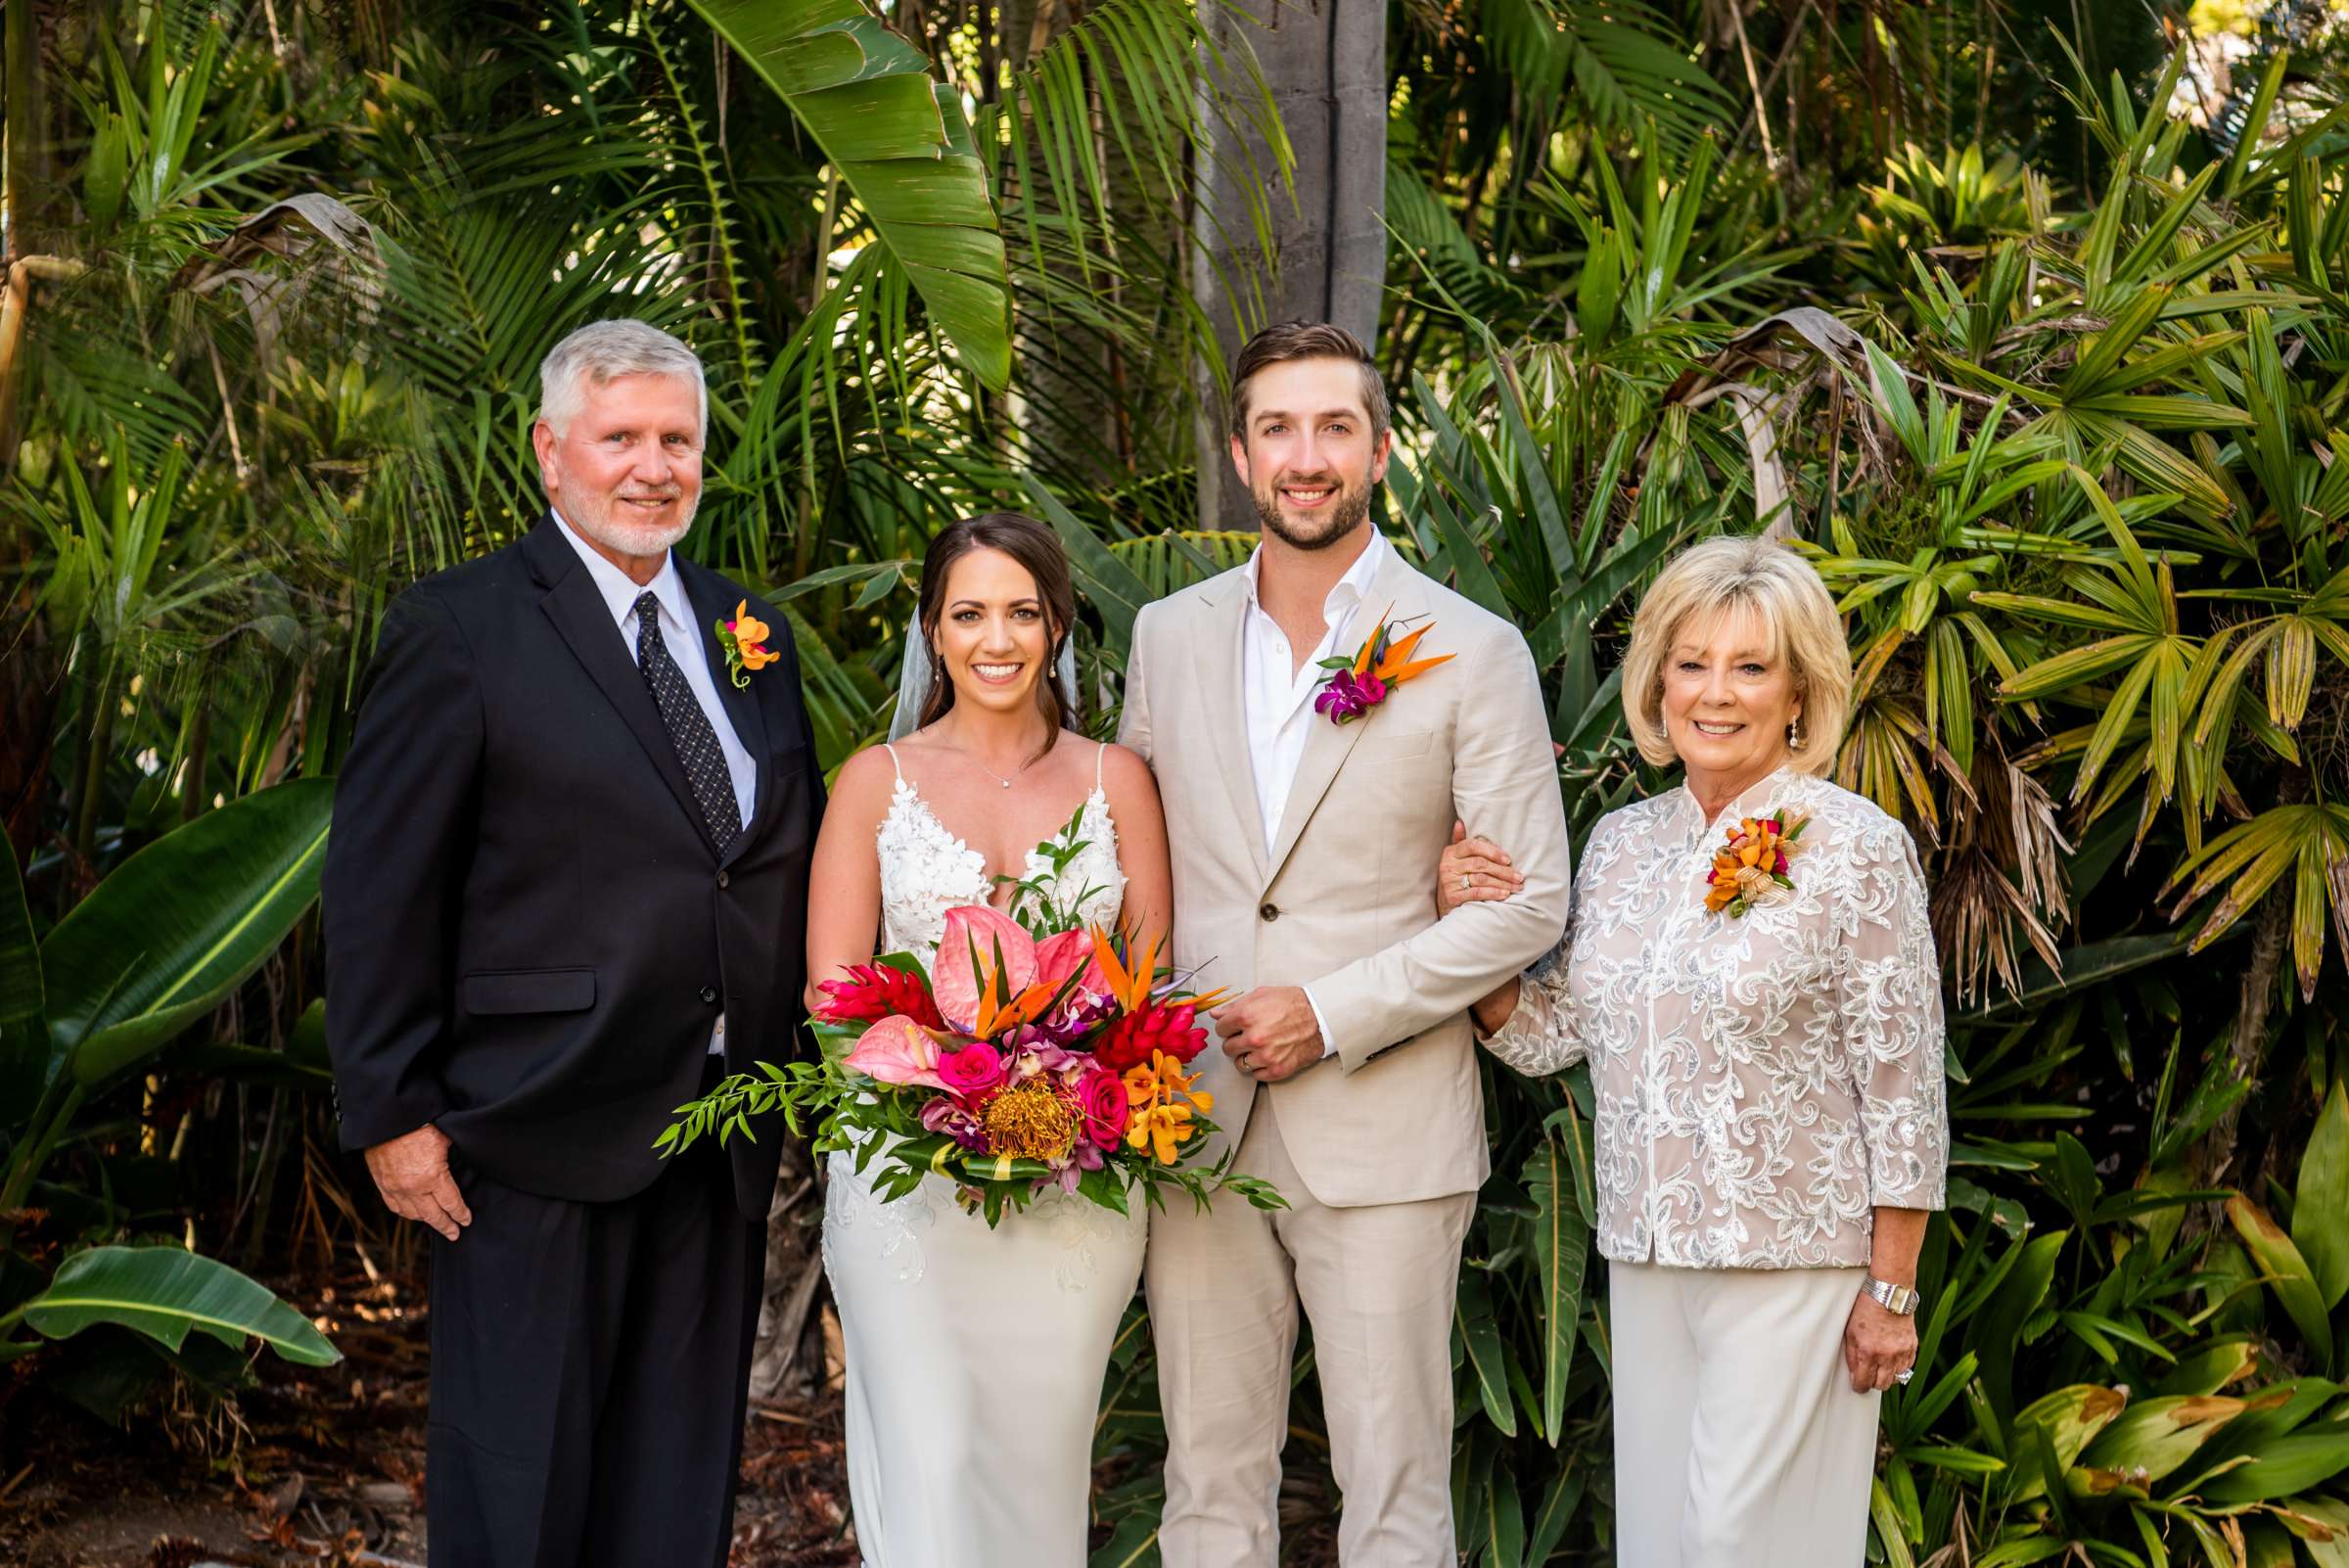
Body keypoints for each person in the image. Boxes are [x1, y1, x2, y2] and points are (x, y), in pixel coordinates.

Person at [323, 319, 825, 1567]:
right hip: (529, 1124)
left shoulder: (746, 630)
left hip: (719, 1131)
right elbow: (382, 882)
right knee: (523, 1493)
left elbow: (773, 855)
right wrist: (391, 1111)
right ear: (552, 453)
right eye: (621, 439)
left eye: (678, 440)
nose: (653, 466)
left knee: (676, 1487)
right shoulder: (462, 625)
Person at [1118, 321, 1575, 1567]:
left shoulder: (1473, 649)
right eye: (1278, 427)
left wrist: (1330, 1011)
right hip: (1194, 1120)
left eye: (1333, 428)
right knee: (1207, 1484)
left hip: (1386, 1122)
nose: (1304, 456)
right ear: (1239, 451)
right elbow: (1135, 863)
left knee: (1395, 1497)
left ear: (1379, 450)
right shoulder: (1166, 636)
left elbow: (1530, 905)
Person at [1439, 533, 1949, 1568]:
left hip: (1795, 1264)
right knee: (1665, 1544)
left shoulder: (1856, 846)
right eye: (1692, 662)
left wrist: (1890, 1294)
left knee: (1739, 1545)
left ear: (1801, 693)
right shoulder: (1622, 842)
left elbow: (1906, 1093)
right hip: (1645, 1252)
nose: (1717, 693)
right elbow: (1556, 1038)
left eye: (1751, 666)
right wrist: (1469, 938)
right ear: (1658, 681)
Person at [803, 512, 1174, 1567]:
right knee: (933, 1455)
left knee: (1036, 1464)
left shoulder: (1118, 783)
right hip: (907, 1183)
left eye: (1021, 611)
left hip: (1076, 1186)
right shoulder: (874, 782)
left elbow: (1146, 991)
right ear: (933, 629)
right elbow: (834, 998)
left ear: (1058, 626)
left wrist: (1064, 1099)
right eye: (968, 613)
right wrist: (946, 1106)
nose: (996, 638)